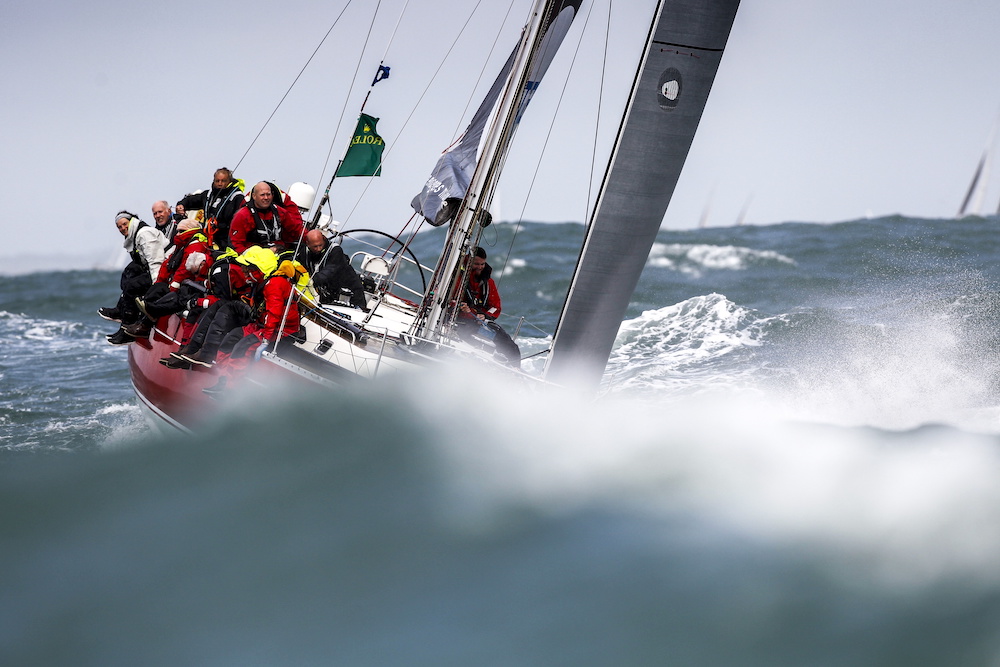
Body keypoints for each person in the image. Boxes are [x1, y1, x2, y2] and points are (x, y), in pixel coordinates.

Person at [123, 220, 211, 338]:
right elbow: (167, 263)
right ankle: (141, 320)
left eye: (181, 231)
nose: (178, 234)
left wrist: (174, 284)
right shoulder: (182, 245)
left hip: (189, 284)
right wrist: (160, 280)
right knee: (156, 289)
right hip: (178, 282)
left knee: (168, 295)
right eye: (178, 231)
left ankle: (146, 322)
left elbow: (185, 269)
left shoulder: (196, 245)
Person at [99, 211, 167, 345]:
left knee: (133, 286)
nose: (122, 228)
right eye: (119, 227)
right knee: (128, 274)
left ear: (131, 221)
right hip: (153, 268)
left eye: (124, 224)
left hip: (164, 271)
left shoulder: (144, 234)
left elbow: (155, 261)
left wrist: (156, 285)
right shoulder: (133, 235)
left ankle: (127, 331)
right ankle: (121, 311)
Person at [455, 246, 521, 367]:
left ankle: (515, 371)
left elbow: (495, 307)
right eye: (476, 264)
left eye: (482, 264)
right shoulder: (456, 277)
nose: (480, 267)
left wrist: (484, 315)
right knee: (473, 341)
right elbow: (444, 297)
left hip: (478, 323)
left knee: (509, 345)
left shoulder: (488, 283)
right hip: (458, 321)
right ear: (468, 261)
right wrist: (459, 306)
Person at [175, 168, 245, 251]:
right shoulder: (208, 195)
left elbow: (239, 221)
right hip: (207, 237)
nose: (220, 184)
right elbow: (191, 200)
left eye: (223, 181)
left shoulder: (237, 197)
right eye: (217, 181)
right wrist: (181, 205)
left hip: (226, 239)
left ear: (229, 182)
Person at [297, 229, 368, 310]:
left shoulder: (335, 250)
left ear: (323, 239)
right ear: (308, 244)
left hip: (350, 291)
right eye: (315, 246)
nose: (318, 249)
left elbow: (330, 271)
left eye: (320, 245)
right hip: (326, 294)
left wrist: (310, 281)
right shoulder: (304, 252)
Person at [228, 181, 304, 254]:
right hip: (254, 258)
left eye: (268, 194)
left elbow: (296, 230)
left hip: (279, 254)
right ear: (254, 196)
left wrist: (311, 238)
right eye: (262, 195)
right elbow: (236, 245)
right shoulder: (242, 215)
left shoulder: (280, 212)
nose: (266, 197)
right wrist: (261, 254)